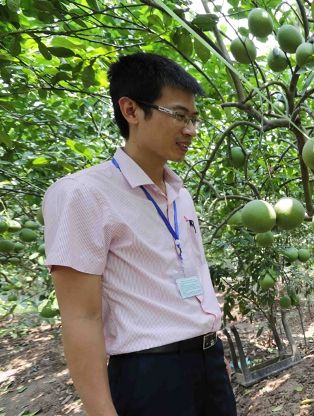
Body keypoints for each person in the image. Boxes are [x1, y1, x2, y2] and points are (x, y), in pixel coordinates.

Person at [43, 52, 237, 416]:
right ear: (131, 110)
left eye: (194, 119)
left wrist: (210, 352)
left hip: (207, 363)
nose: (191, 130)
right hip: (150, 376)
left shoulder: (181, 195)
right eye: (179, 115)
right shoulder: (83, 194)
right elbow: (81, 317)